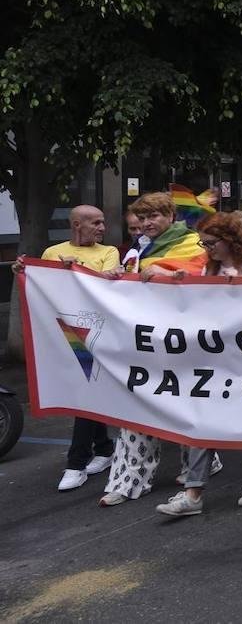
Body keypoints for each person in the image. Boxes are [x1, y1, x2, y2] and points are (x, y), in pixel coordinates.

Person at [155, 212, 242, 516]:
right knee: (203, 419)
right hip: (214, 361)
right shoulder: (207, 267)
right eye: (203, 243)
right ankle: (193, 492)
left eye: (211, 243)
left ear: (229, 240)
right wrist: (158, 275)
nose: (206, 248)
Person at [100, 191, 209, 507]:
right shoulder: (137, 250)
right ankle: (128, 480)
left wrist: (168, 275)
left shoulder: (194, 244)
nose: (147, 223)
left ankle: (199, 466)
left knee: (188, 407)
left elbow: (207, 279)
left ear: (171, 216)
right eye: (142, 218)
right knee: (137, 407)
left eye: (154, 216)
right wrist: (116, 277)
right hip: (145, 342)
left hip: (185, 342)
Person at [15, 205, 120, 491]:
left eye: (102, 223)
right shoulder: (52, 253)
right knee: (89, 392)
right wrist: (24, 270)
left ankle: (76, 463)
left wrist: (74, 269)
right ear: (77, 225)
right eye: (95, 223)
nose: (102, 228)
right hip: (65, 333)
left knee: (86, 392)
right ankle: (105, 448)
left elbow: (106, 287)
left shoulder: (109, 252)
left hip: (98, 333)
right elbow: (43, 287)